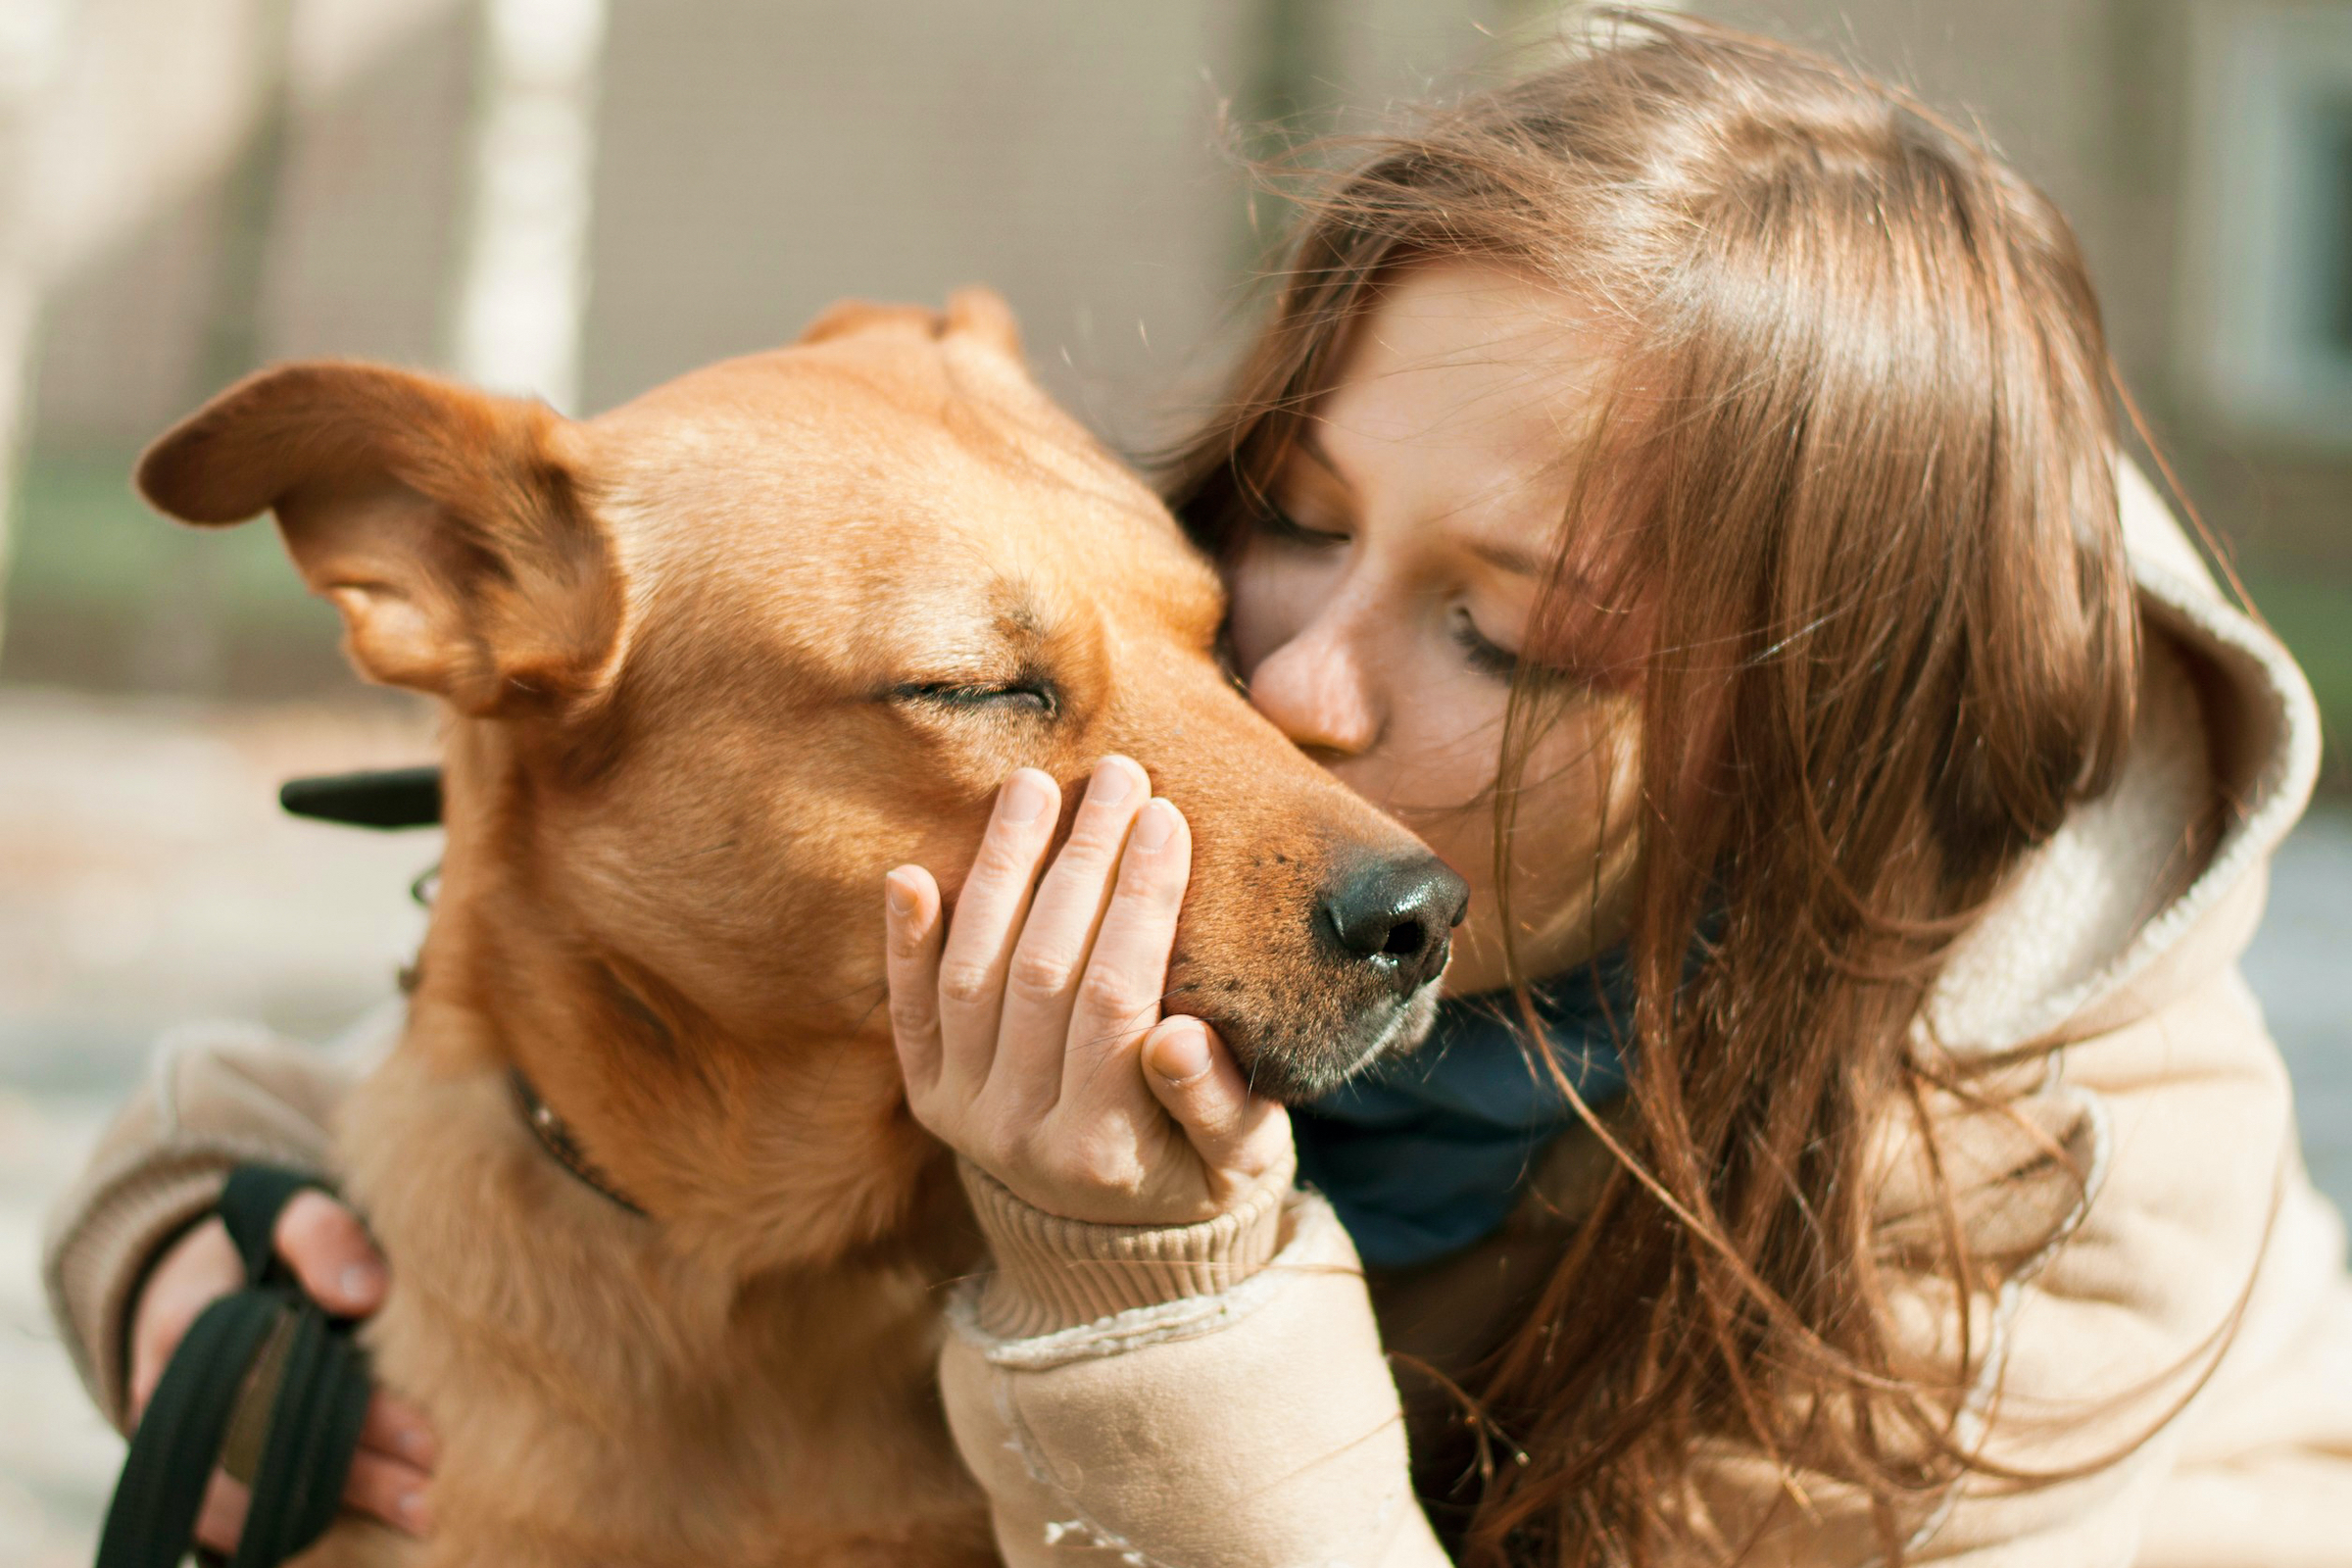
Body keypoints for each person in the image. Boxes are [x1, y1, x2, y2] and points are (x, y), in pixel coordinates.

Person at [44, 12, 2350, 1565]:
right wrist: (177, 1234)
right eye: (1285, 517)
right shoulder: (1120, 856)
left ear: (1817, 749)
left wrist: (1141, 1268)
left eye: (1511, 635)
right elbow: (520, 1047)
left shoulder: (2048, 1214)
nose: (1290, 698)